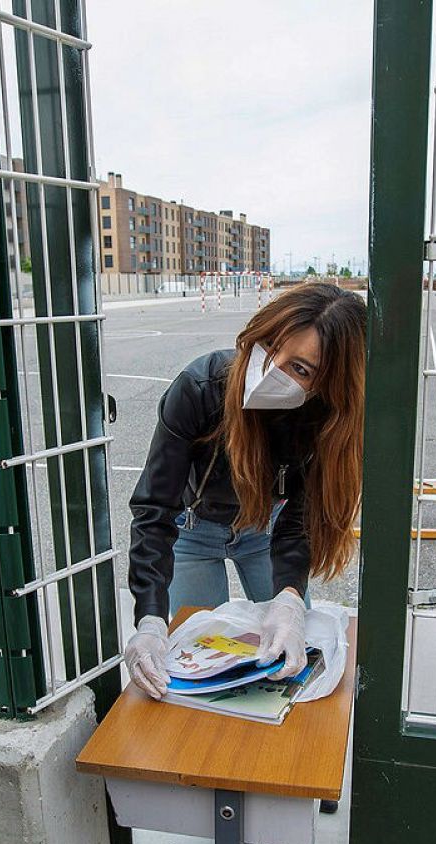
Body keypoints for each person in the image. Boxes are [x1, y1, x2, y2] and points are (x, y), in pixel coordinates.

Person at [122, 284, 366, 700]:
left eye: (301, 370)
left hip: (266, 531)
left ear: (327, 386)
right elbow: (154, 507)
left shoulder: (323, 421)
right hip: (192, 531)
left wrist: (289, 596)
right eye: (271, 346)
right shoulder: (199, 387)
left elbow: (301, 517)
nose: (273, 369)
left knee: (289, 658)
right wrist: (149, 618)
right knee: (195, 672)